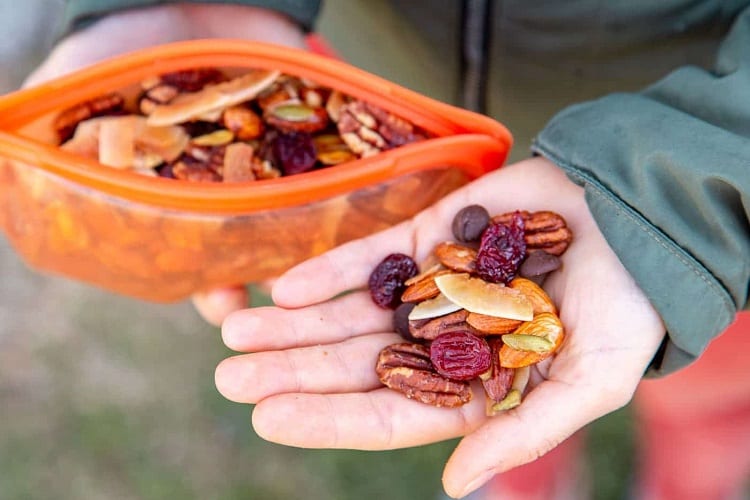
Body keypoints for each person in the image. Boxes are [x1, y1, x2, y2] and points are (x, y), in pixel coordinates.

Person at [38, 1, 749, 499]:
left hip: (697, 161)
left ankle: (694, 484)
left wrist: (684, 199)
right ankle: (523, 480)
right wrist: (178, 6)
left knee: (708, 385)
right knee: (524, 391)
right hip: (386, 104)